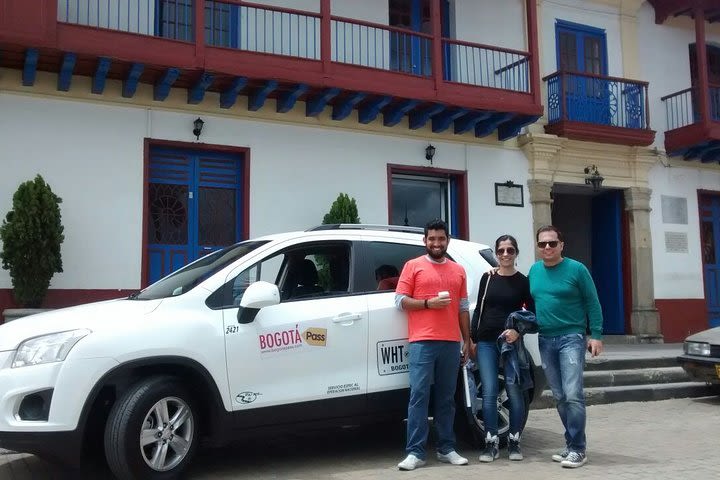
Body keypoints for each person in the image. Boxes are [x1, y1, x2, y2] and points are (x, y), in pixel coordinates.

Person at [394, 219, 471, 471]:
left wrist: (467, 339)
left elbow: (462, 308)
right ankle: (415, 452)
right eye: (432, 239)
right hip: (422, 341)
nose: (436, 243)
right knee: (418, 396)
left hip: (450, 342)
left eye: (441, 238)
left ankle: (446, 448)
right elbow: (400, 301)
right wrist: (428, 304)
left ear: (447, 240)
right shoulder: (412, 266)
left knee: (447, 398)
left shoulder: (458, 269)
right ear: (424, 240)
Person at [528, 225, 603, 469]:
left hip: (572, 337)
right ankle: (571, 445)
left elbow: (593, 302)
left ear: (561, 245)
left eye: (552, 243)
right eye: (542, 244)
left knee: (572, 394)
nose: (547, 247)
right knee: (559, 396)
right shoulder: (534, 271)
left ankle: (579, 449)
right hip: (545, 339)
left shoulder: (577, 269)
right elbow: (528, 303)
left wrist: (596, 335)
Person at [470, 235, 534, 463]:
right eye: (501, 251)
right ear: (496, 254)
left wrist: (518, 331)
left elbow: (533, 317)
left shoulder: (523, 282)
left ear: (516, 253)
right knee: (488, 392)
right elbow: (479, 309)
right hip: (486, 342)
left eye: (510, 250)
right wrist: (473, 339)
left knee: (514, 390)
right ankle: (491, 443)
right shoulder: (487, 278)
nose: (505, 254)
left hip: (510, 343)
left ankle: (514, 441)